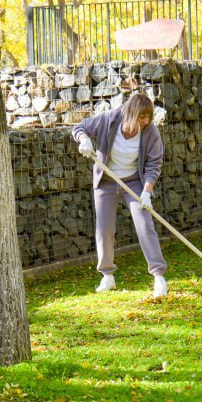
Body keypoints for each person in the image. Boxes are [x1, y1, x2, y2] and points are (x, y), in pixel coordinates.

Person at [72, 93, 168, 298]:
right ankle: (107, 276)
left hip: (133, 182)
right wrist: (84, 140)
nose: (146, 121)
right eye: (142, 117)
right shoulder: (109, 119)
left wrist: (146, 192)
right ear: (131, 113)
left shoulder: (150, 132)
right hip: (106, 181)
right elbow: (80, 127)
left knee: (144, 224)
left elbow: (154, 164)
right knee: (104, 229)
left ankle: (158, 276)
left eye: (148, 117)